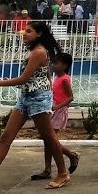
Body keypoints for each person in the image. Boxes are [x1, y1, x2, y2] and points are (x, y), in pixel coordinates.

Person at [0, 22, 71, 192]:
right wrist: (48, 89)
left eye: (29, 31)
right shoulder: (34, 51)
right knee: (6, 137)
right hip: (26, 97)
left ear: (39, 34)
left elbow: (23, 79)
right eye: (25, 31)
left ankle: (62, 173)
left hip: (38, 99)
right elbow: (46, 74)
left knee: (48, 137)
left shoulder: (39, 52)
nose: (24, 33)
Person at [34, 53, 80, 181]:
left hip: (58, 111)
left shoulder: (65, 79)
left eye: (56, 63)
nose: (53, 65)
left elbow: (70, 97)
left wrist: (58, 106)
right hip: (53, 110)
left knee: (50, 139)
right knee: (47, 140)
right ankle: (47, 169)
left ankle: (71, 155)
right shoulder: (57, 78)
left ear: (64, 66)